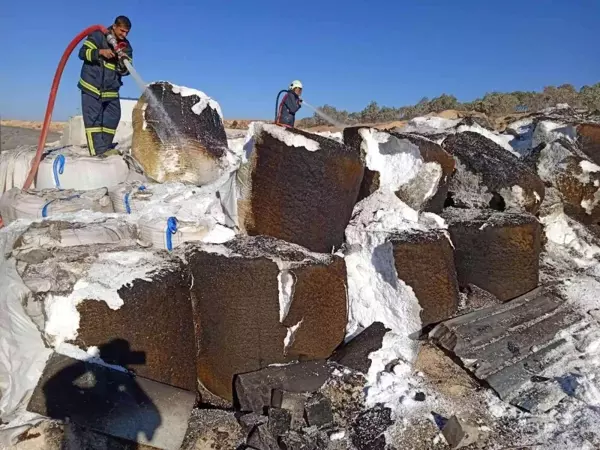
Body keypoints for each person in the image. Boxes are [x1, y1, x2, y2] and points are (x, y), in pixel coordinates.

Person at [77, 16, 133, 156]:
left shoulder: (126, 46)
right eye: (122, 31)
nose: (124, 35)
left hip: (111, 89)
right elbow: (82, 53)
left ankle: (105, 147)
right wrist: (100, 52)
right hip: (92, 85)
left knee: (113, 116)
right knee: (93, 120)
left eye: (127, 32)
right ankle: (97, 153)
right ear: (114, 26)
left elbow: (127, 70)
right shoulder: (97, 36)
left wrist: (122, 64)